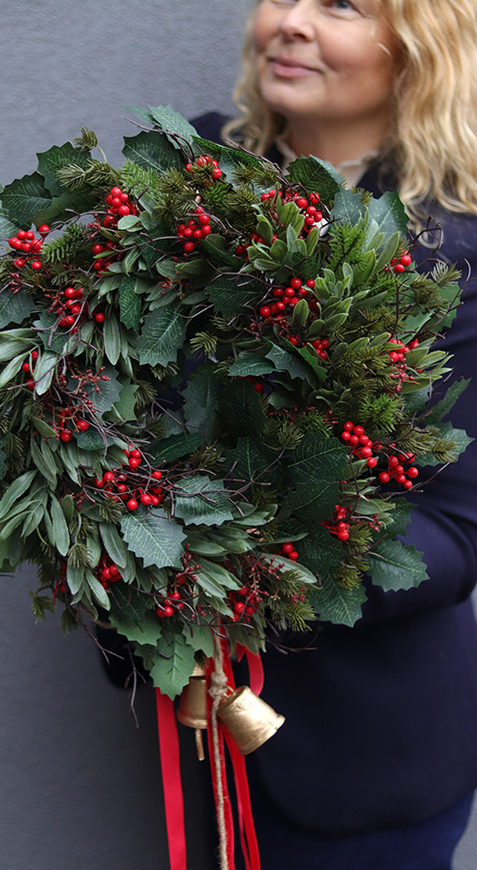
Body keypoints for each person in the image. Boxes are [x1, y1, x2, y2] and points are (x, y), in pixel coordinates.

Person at [194, 1, 477, 867]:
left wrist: (223, 570)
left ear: (419, 49)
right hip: (199, 733)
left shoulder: (455, 251)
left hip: (363, 754)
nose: (293, 22)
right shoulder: (192, 177)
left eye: (343, 5)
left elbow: (456, 532)